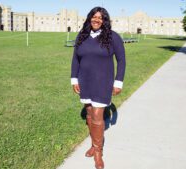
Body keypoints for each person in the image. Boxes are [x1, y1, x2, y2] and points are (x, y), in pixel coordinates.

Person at [70, 6, 126, 169]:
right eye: (94, 17)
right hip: (85, 81)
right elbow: (75, 59)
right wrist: (74, 79)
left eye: (100, 18)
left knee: (97, 114)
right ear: (89, 18)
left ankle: (98, 153)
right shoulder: (82, 36)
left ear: (104, 21)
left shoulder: (112, 37)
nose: (96, 20)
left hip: (103, 81)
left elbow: (121, 60)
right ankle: (93, 145)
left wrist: (118, 82)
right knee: (88, 112)